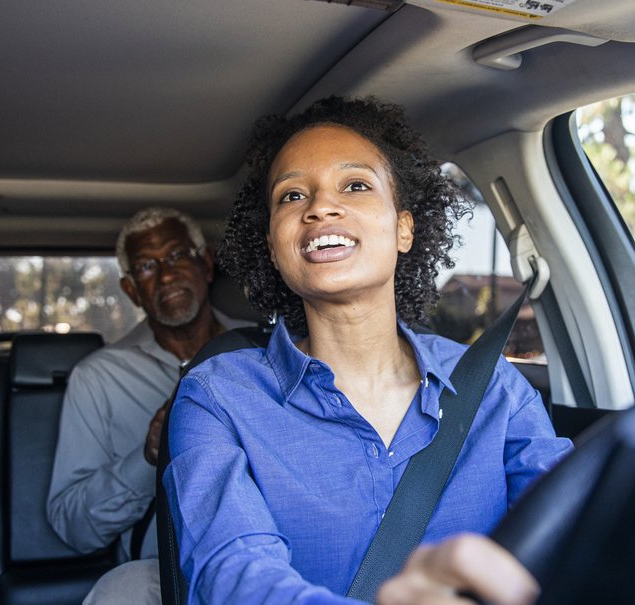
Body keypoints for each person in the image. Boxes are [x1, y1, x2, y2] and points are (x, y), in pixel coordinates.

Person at [163, 96, 574, 605]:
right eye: (292, 196)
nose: (319, 207)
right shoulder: (216, 396)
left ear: (404, 228)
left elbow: (578, 525)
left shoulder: (492, 386)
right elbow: (232, 573)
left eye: (355, 186)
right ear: (273, 244)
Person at [47, 207, 222, 575]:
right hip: (162, 574)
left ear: (206, 264)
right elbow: (73, 527)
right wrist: (148, 457)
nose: (167, 274)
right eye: (146, 266)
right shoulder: (98, 377)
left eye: (177, 255)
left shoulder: (265, 349)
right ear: (131, 291)